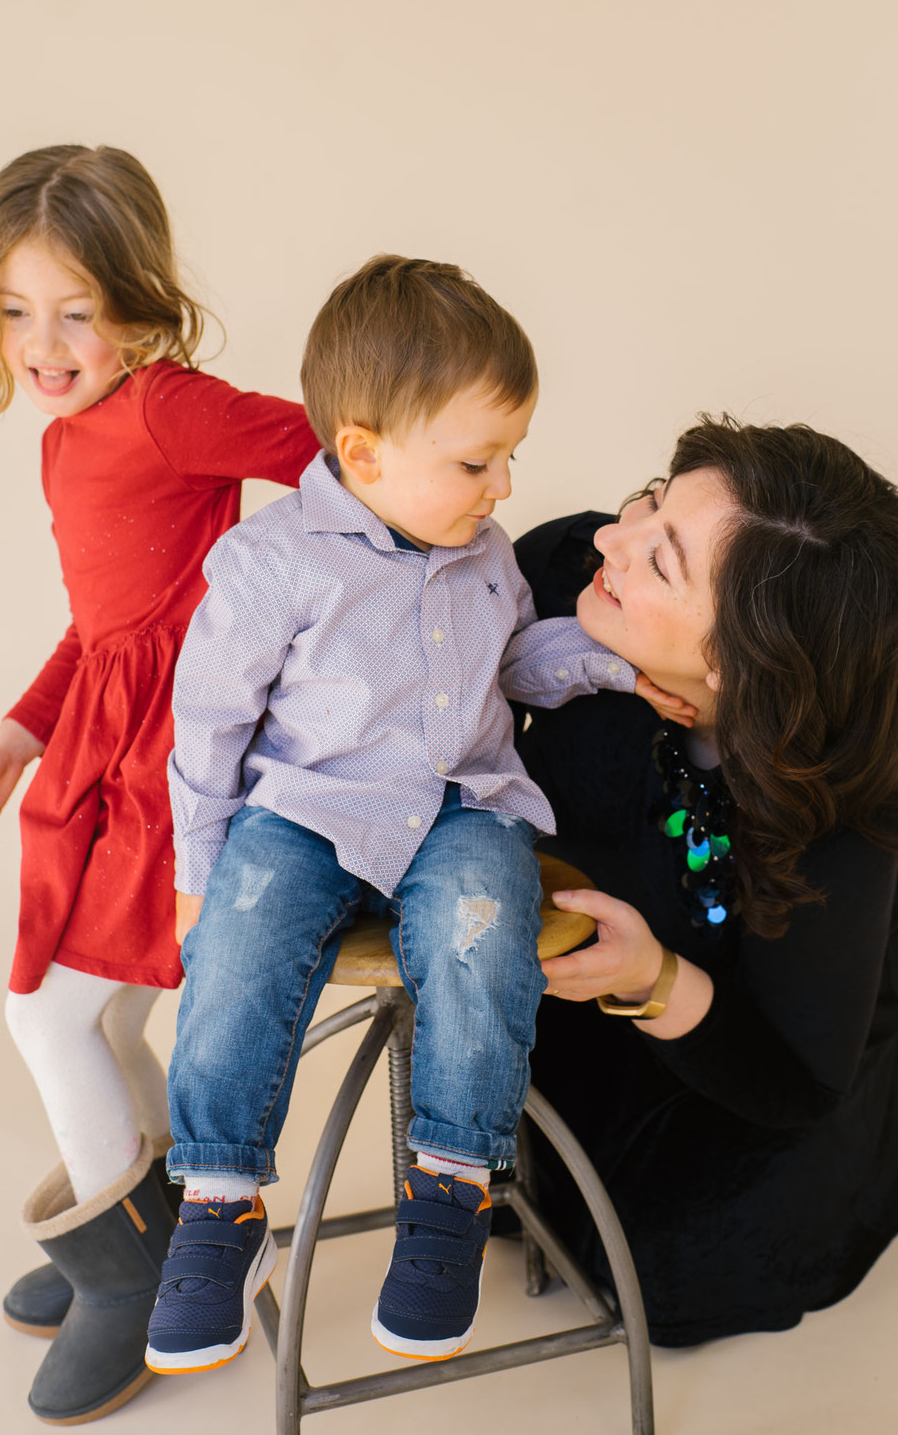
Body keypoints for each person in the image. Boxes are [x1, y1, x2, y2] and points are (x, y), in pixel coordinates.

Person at [143, 254, 640, 1377]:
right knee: (242, 932)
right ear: (363, 453)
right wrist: (198, 868)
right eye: (475, 461)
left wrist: (608, 661)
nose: (502, 486)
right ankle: (219, 1203)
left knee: (479, 916)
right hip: (309, 813)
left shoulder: (484, 556)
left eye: (510, 455)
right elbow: (209, 725)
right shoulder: (273, 565)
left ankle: (450, 1189)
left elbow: (510, 664)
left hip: (462, 806)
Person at [0, 145, 320, 1423]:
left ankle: (128, 1275)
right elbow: (100, 629)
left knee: (47, 1019)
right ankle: (149, 1229)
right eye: (14, 310)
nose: (42, 345)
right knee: (101, 1023)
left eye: (77, 313)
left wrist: (327, 625)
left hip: (182, 767)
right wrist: (14, 735)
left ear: (141, 308)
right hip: (104, 752)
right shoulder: (66, 440)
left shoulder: (168, 408)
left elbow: (350, 445)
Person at [510, 415, 898, 1346]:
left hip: (753, 1029)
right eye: (650, 503)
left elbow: (793, 1072)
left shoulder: (832, 823)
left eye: (661, 559)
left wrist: (653, 981)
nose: (610, 538)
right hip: (586, 960)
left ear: (740, 666)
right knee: (509, 1179)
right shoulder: (568, 576)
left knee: (665, 1270)